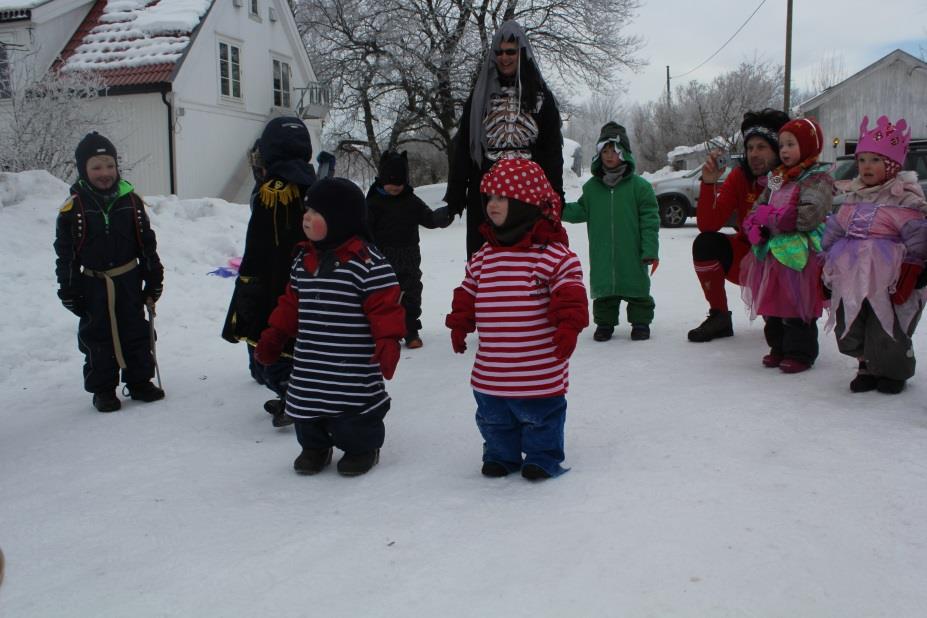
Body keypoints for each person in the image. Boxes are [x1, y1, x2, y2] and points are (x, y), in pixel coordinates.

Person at [445, 159, 588, 480]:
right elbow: (467, 292)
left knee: (542, 417)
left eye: (502, 198)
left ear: (525, 203)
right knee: (494, 416)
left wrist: (569, 327)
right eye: (490, 198)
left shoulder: (552, 255)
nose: (492, 205)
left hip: (538, 366)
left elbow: (571, 295)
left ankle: (542, 456)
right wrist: (459, 323)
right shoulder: (484, 256)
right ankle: (501, 453)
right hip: (492, 367)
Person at [254, 178, 406, 476]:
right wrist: (275, 334)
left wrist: (387, 340)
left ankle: (362, 448)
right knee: (306, 404)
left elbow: (386, 306)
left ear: (340, 218)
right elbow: (290, 304)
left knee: (353, 411)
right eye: (307, 210)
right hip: (311, 359)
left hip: (351, 361)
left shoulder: (367, 263)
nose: (306, 217)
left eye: (316, 212)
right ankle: (315, 447)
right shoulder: (303, 260)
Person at [53, 132, 165, 412]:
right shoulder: (74, 208)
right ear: (83, 170)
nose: (105, 173)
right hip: (93, 283)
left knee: (136, 330)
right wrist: (69, 289)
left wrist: (154, 280)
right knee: (97, 335)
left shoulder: (132, 202)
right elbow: (65, 254)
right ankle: (103, 389)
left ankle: (139, 381)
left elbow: (147, 246)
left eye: (110, 166)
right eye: (96, 167)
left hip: (128, 279)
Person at [222, 117, 317, 427]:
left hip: (274, 282)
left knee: (271, 333)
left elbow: (260, 243)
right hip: (311, 278)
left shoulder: (272, 190)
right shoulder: (314, 184)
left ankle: (293, 396)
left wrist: (248, 281)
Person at [823, 115, 927, 394]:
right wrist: (825, 261)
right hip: (852, 275)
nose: (866, 166)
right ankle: (865, 364)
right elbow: (835, 229)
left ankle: (893, 371)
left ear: (892, 165)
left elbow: (916, 233)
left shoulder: (905, 197)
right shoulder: (854, 196)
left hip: (888, 276)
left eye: (875, 160)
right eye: (862, 160)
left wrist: (914, 266)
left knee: (887, 323)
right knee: (852, 319)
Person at [443, 19, 564, 258]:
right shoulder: (479, 99)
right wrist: (455, 198)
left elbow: (552, 151)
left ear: (522, 53)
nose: (504, 58)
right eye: (499, 52)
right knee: (485, 263)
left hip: (530, 197)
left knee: (530, 264)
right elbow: (464, 150)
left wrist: (556, 196)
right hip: (487, 198)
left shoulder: (541, 97)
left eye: (511, 52)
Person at [687, 109, 790, 342]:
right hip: (748, 257)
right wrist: (709, 183)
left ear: (777, 150)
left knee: (784, 332)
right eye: (750, 147)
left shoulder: (791, 177)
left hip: (786, 259)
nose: (753, 154)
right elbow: (708, 224)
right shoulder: (739, 177)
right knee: (706, 244)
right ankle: (719, 317)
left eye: (762, 147)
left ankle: (786, 317)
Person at [740, 117, 833, 373]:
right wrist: (753, 225)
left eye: (791, 144)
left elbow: (809, 214)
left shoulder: (818, 178)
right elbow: (760, 204)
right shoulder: (776, 177)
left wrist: (775, 219)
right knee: (772, 303)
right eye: (781, 145)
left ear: (807, 146)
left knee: (796, 304)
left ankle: (800, 352)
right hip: (772, 252)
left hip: (799, 254)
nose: (784, 151)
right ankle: (778, 346)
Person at [562, 121, 659, 342]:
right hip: (603, 250)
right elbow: (580, 210)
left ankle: (640, 322)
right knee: (605, 289)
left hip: (632, 251)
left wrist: (650, 249)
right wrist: (557, 209)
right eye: (604, 150)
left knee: (638, 288)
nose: (609, 155)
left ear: (623, 152)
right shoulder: (592, 188)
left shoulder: (639, 187)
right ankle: (604, 324)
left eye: (613, 150)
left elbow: (650, 220)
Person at [367, 150, 452, 348]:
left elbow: (428, 218)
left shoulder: (411, 200)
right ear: (381, 178)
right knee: (385, 295)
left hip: (410, 256)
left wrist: (443, 216)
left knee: (411, 293)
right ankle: (386, 332)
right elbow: (365, 229)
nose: (396, 187)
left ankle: (411, 330)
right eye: (391, 181)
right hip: (382, 258)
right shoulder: (373, 202)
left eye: (400, 182)